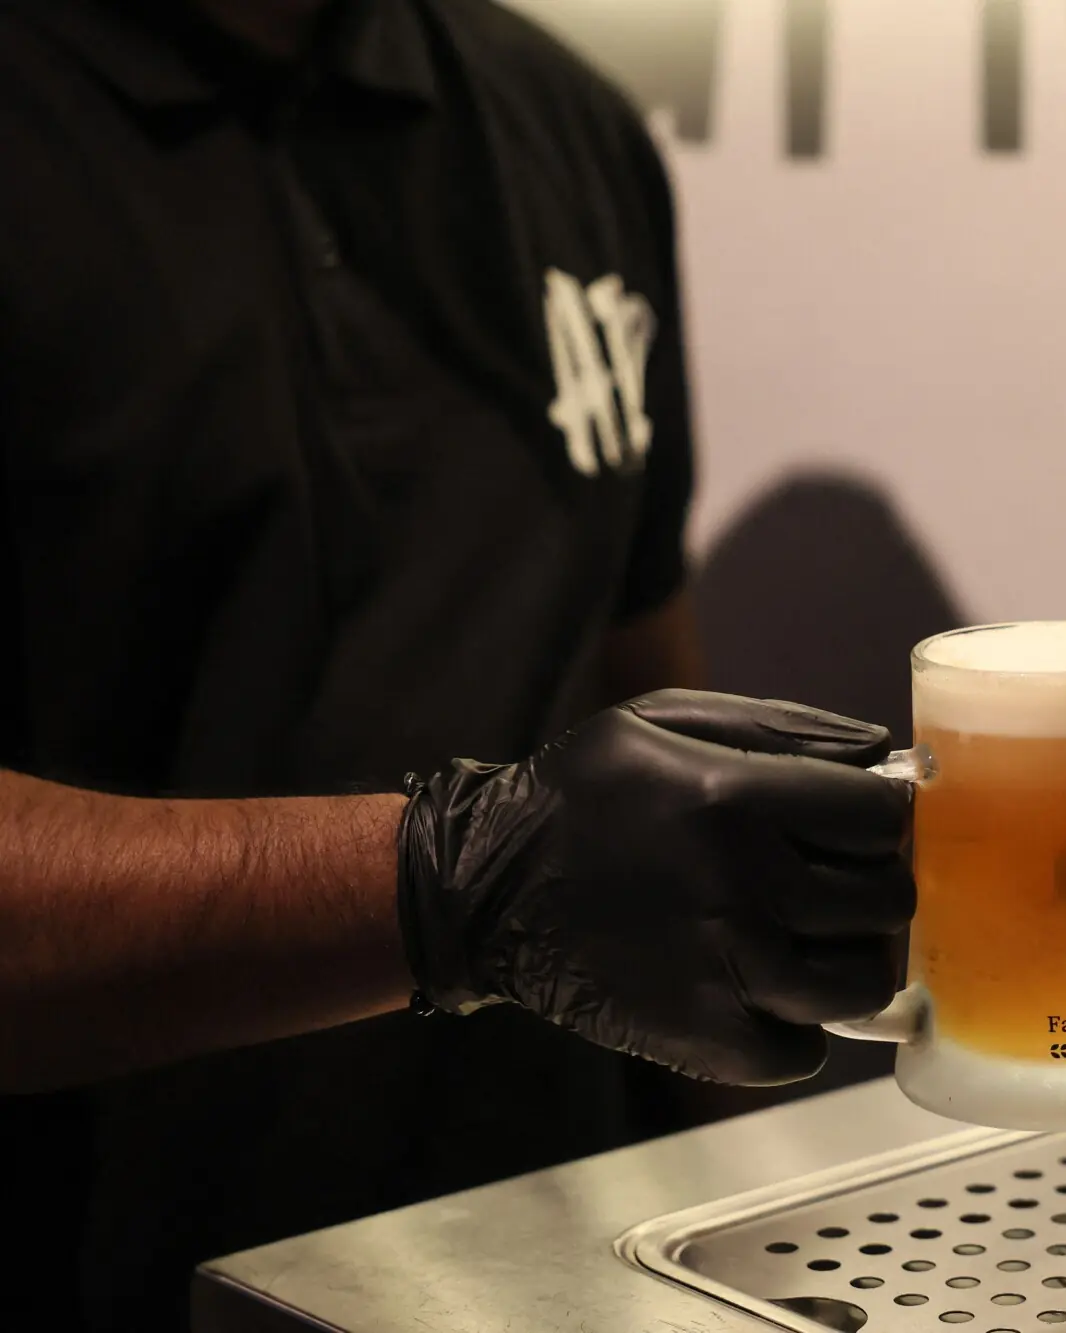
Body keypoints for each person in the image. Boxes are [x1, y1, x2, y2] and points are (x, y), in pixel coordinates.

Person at [0, 0, 915, 1327]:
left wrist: (768, 1253)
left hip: (546, 1276)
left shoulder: (567, 127)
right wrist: (454, 885)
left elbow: (645, 702)